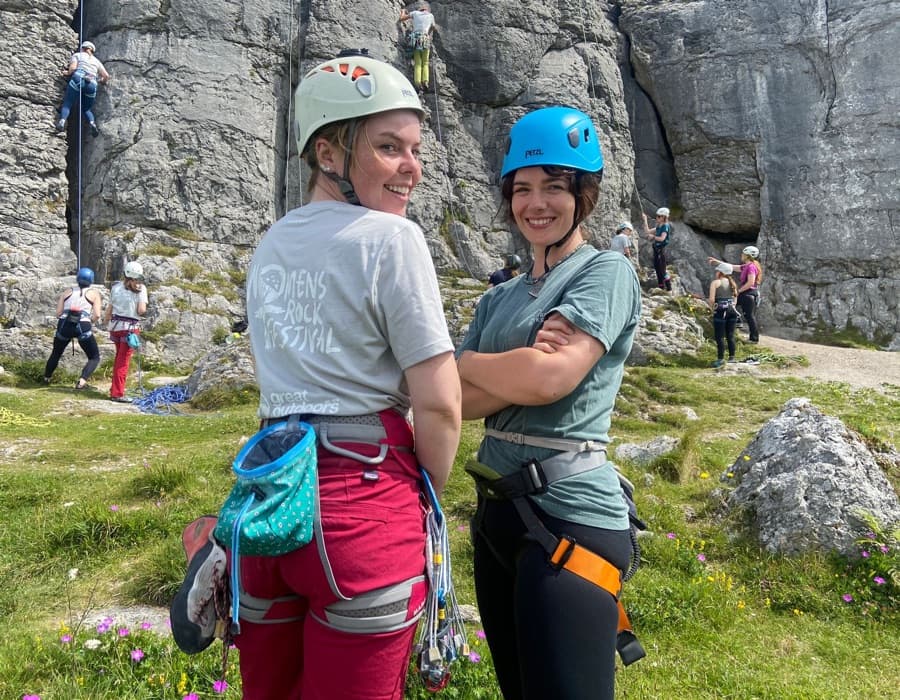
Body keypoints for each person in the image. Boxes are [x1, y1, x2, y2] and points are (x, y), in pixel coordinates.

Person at [188, 53, 461, 699]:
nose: (411, 168)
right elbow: (442, 405)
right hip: (365, 504)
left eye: (415, 149)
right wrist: (424, 498)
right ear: (330, 153)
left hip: (272, 502)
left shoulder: (272, 244)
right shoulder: (392, 240)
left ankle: (214, 547)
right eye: (389, 147)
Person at [456, 106, 642, 700]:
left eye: (555, 188)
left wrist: (463, 367)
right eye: (524, 188)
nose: (536, 204)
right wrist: (503, 370)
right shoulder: (500, 298)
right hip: (497, 516)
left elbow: (549, 380)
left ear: (583, 194)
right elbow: (456, 402)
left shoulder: (605, 272)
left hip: (571, 517)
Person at [43, 267, 103, 389]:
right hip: (83, 325)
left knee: (56, 353)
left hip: (65, 324)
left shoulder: (67, 292)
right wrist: (89, 322)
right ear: (91, 280)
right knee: (94, 357)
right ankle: (82, 381)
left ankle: (46, 378)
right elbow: (97, 314)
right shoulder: (94, 294)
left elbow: (59, 313)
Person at [103, 261, 147, 402]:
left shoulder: (115, 287)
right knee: (123, 362)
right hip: (130, 329)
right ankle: (117, 393)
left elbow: (109, 310)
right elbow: (141, 311)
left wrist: (106, 323)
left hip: (115, 327)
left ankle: (115, 389)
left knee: (119, 359)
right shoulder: (141, 289)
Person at [708, 245, 762, 343]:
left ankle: (752, 337)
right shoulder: (747, 266)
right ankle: (738, 323)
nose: (741, 255)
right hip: (749, 294)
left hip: (748, 294)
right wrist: (717, 262)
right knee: (740, 310)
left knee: (747, 314)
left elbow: (750, 282)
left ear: (748, 256)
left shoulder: (750, 267)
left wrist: (738, 291)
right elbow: (732, 267)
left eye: (743, 254)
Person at [56, 40, 110, 138]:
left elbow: (72, 68)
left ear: (83, 48)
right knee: (86, 109)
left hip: (78, 78)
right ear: (92, 51)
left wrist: (67, 73)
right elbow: (106, 75)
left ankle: (62, 121)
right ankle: (92, 123)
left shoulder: (78, 55)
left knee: (68, 103)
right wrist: (102, 81)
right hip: (92, 84)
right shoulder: (96, 61)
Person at [708, 262, 739, 367]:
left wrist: (711, 309)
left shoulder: (715, 283)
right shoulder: (733, 284)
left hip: (721, 311)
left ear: (720, 272)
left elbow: (712, 300)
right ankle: (732, 358)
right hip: (732, 311)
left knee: (720, 336)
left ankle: (720, 359)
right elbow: (735, 300)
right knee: (730, 335)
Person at [399, 1, 435, 92]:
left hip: (416, 39)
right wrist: (429, 34)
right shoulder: (430, 16)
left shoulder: (415, 13)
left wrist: (403, 11)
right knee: (425, 62)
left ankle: (418, 82)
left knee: (418, 63)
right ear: (426, 10)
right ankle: (425, 81)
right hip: (425, 38)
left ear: (419, 9)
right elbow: (433, 26)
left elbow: (402, 19)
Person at [641, 206, 672, 291]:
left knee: (662, 269)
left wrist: (653, 237)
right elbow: (647, 231)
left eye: (658, 216)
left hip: (660, 250)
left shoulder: (665, 226)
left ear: (663, 217)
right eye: (657, 216)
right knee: (657, 268)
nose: (657, 217)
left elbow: (662, 238)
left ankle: (669, 288)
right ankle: (661, 287)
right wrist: (645, 220)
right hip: (656, 249)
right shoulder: (659, 226)